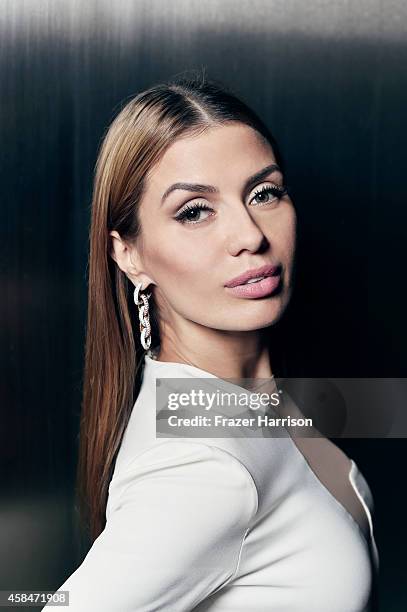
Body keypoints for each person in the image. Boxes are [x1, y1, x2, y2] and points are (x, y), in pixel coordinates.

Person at [43, 73, 379, 611]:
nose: (250, 236)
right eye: (195, 211)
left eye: (264, 193)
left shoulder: (238, 404)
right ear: (129, 254)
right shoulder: (203, 465)